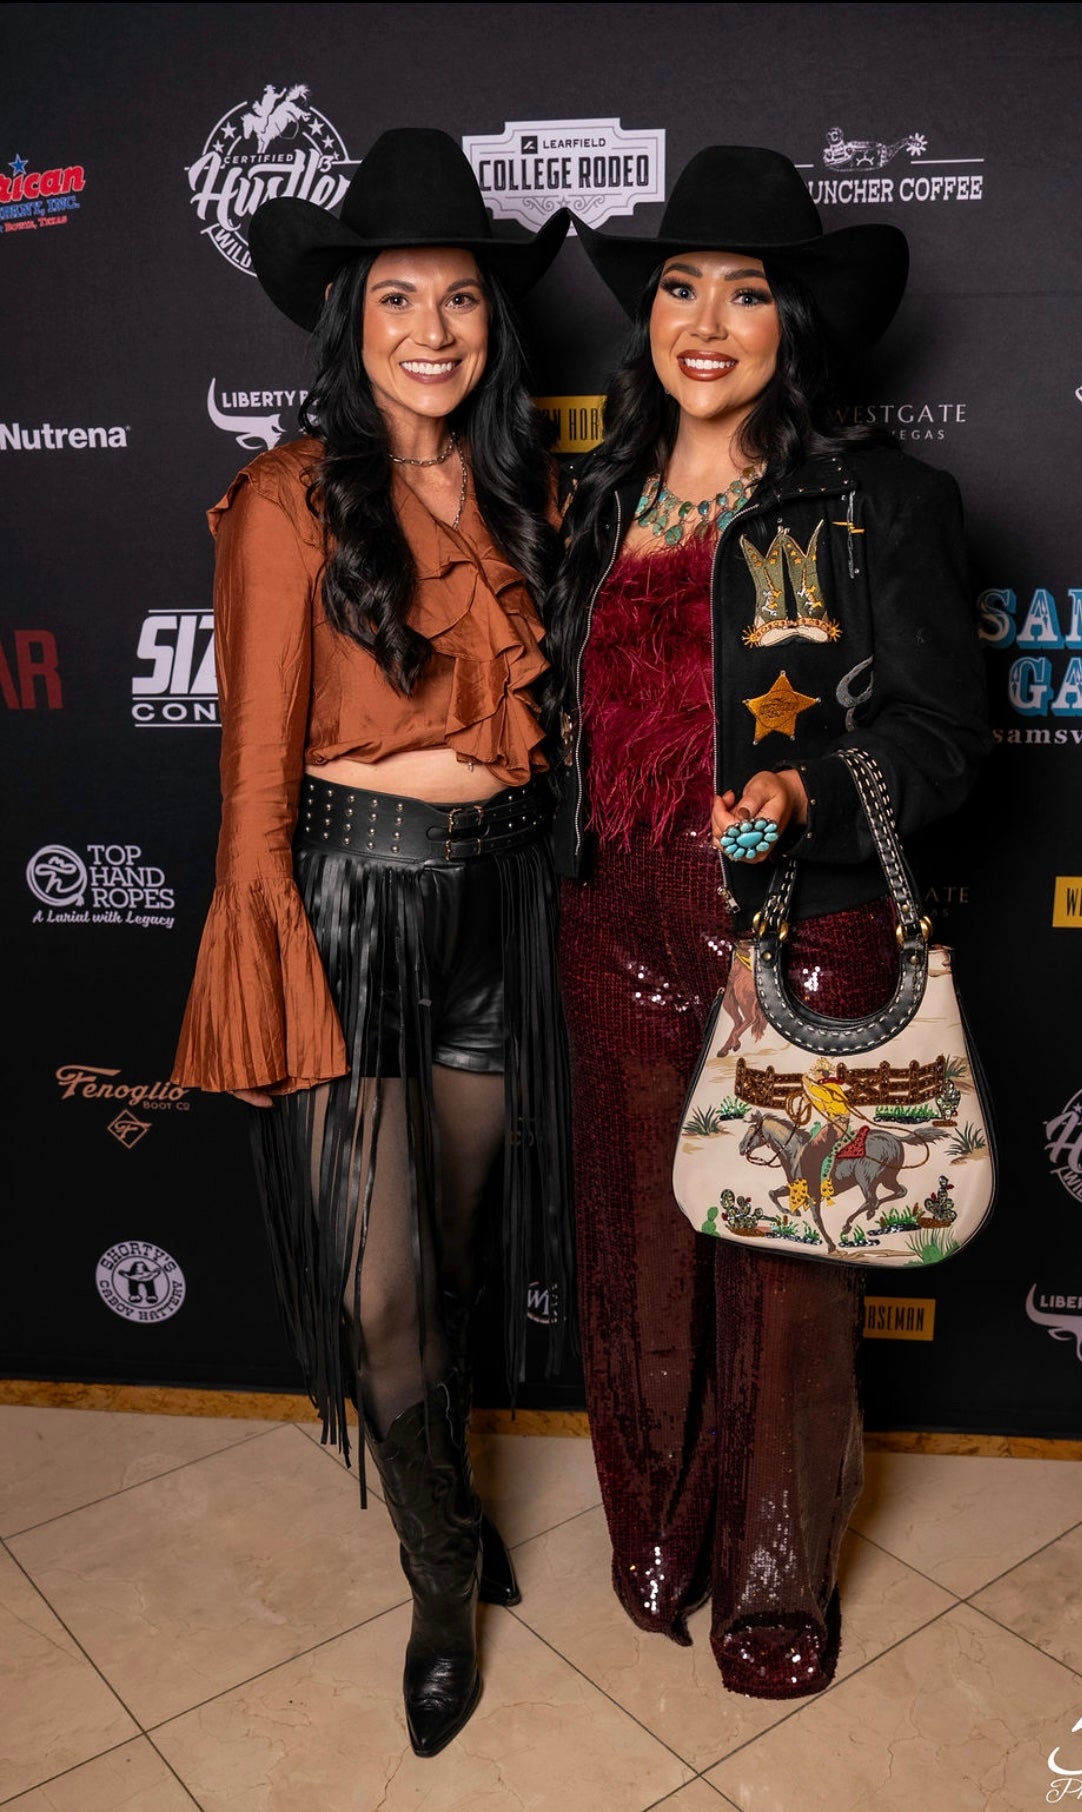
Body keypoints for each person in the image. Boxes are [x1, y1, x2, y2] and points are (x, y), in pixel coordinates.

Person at [548, 145, 990, 1698]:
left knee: (791, 1266)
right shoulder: (588, 503)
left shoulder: (882, 502)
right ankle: (656, 1530)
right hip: (610, 912)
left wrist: (807, 793)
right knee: (635, 1246)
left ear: (794, 323)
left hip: (801, 922)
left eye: (746, 293)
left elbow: (945, 739)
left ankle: (771, 1581)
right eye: (679, 288)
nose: (705, 322)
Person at [172, 129, 570, 1757]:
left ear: (492, 321)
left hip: (498, 902)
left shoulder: (529, 487)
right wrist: (261, 944)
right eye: (397, 297)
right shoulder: (288, 498)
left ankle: (449, 1498)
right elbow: (254, 762)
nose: (431, 328)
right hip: (349, 906)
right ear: (350, 320)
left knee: (455, 1252)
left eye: (460, 298)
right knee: (381, 1283)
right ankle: (440, 1578)